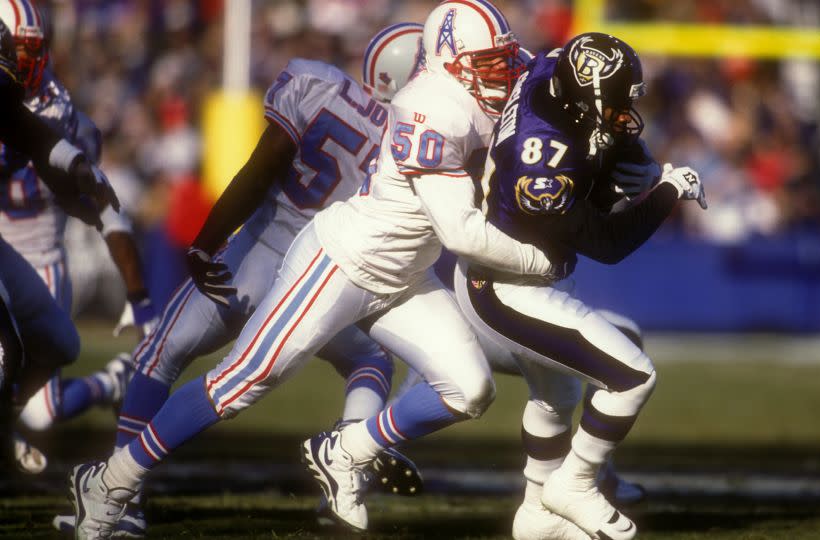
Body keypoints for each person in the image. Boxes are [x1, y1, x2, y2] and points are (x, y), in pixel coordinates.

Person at [69, 0, 565, 536]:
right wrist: (540, 257)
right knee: (240, 382)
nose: (502, 73)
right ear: (447, 62)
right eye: (488, 63)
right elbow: (460, 231)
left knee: (470, 389)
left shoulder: (471, 92)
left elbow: (538, 83)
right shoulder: (430, 107)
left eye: (503, 60)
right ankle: (110, 481)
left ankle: (347, 450)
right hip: (342, 262)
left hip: (403, 278)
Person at [58, 22, 425, 538]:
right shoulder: (415, 143)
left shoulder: (315, 82)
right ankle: (346, 473)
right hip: (318, 279)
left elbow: (262, 165)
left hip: (255, 255)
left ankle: (120, 498)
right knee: (369, 360)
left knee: (160, 358)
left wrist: (207, 237)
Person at [452, 33, 707, 540]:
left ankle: (537, 517)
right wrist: (664, 193)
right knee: (632, 375)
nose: (625, 111)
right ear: (587, 93)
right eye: (616, 100)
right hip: (506, 288)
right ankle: (575, 483)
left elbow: (602, 138)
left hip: (523, 277)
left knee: (557, 394)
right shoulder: (541, 157)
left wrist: (625, 165)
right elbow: (608, 244)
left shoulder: (554, 69)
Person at [0, 0, 158, 475]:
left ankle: (111, 382)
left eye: (28, 51)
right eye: (13, 50)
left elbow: (98, 205)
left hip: (39, 256)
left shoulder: (54, 108)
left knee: (50, 379)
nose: (23, 63)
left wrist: (140, 297)